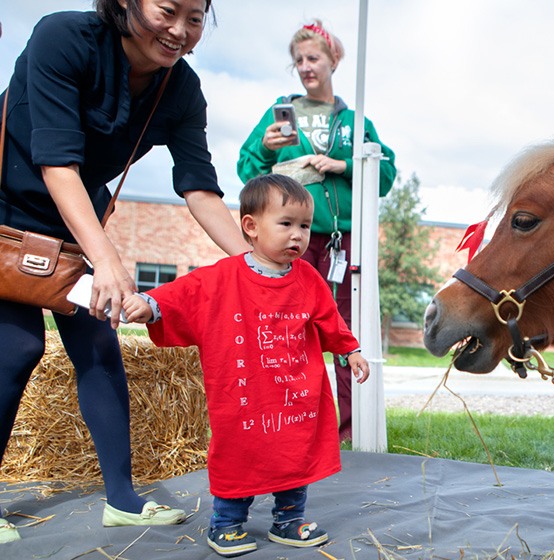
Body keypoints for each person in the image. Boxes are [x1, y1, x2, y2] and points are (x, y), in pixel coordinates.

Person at [0, 0, 251, 544]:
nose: (180, 31)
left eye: (195, 18)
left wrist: (256, 264)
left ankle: (123, 500)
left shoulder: (180, 89)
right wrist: (108, 257)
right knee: (17, 347)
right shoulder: (63, 38)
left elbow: (199, 188)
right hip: (5, 215)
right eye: (168, 10)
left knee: (99, 343)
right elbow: (57, 163)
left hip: (73, 221)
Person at [123, 174, 370, 557]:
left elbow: (328, 320)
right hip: (245, 398)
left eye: (304, 226)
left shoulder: (308, 278)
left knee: (294, 453)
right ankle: (227, 524)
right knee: (239, 455)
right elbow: (182, 296)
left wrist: (350, 350)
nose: (298, 236)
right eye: (286, 224)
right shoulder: (223, 277)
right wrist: (150, 305)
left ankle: (288, 520)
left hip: (294, 397)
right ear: (251, 227)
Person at [237, 19, 396, 442]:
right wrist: (265, 148)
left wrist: (343, 165)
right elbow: (247, 172)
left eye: (313, 58)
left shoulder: (355, 120)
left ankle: (346, 432)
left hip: (340, 241)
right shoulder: (279, 115)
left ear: (333, 60)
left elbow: (385, 175)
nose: (306, 67)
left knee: (343, 329)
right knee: (286, 327)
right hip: (289, 242)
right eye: (299, 61)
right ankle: (290, 421)